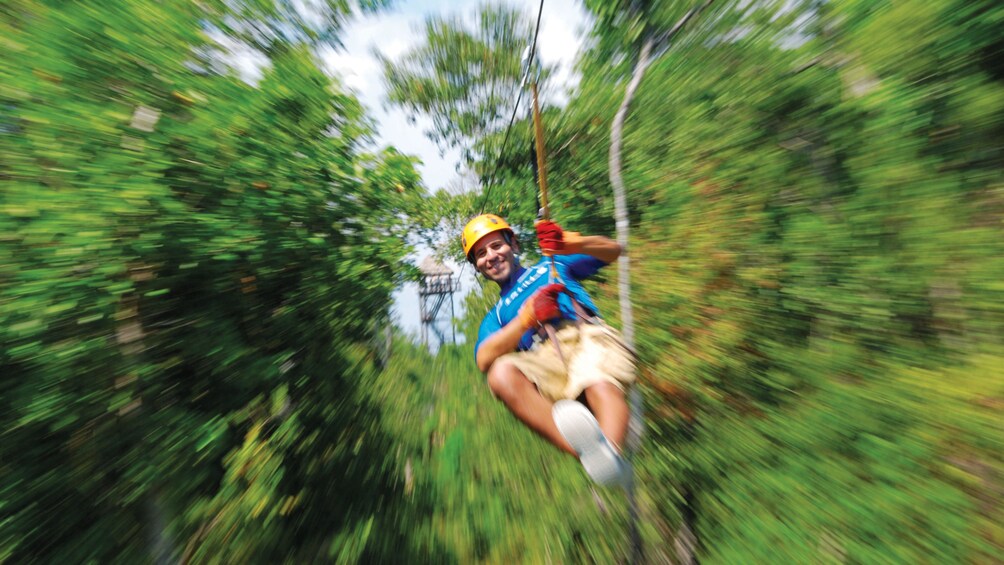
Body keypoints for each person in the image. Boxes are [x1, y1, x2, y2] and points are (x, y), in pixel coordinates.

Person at [462, 213, 636, 486]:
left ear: (514, 245)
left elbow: (613, 250)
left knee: (596, 382)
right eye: (481, 254)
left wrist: (571, 243)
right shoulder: (496, 316)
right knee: (500, 374)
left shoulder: (551, 263)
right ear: (478, 267)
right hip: (545, 358)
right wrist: (525, 320)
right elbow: (484, 358)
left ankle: (611, 452)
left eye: (497, 245)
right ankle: (591, 456)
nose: (491, 256)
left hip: (584, 336)